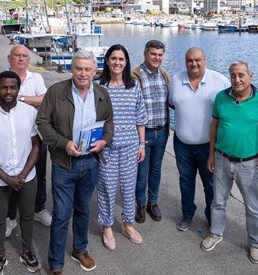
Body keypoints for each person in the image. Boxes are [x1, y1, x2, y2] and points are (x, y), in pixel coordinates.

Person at [36, 50, 114, 275]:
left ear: (95, 71)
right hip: (64, 163)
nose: (83, 73)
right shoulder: (56, 92)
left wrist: (104, 142)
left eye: (87, 69)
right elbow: (42, 122)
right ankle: (56, 266)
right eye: (78, 68)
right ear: (72, 68)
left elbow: (109, 122)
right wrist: (62, 143)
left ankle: (80, 249)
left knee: (83, 209)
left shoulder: (101, 93)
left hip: (90, 161)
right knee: (61, 214)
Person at [201, 61, 258, 262]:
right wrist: (211, 154)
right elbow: (214, 126)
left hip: (248, 164)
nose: (237, 79)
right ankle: (216, 233)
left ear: (251, 76)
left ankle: (255, 243)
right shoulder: (221, 98)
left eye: (241, 75)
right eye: (233, 75)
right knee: (218, 201)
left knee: (252, 206)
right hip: (222, 159)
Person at [0, 71, 41, 275]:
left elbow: (36, 145)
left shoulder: (30, 113)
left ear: (18, 89)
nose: (8, 91)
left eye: (13, 87)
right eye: (4, 87)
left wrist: (22, 174)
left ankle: (26, 250)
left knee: (28, 215)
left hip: (26, 176)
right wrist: (6, 178)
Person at [168, 47, 230, 232]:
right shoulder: (175, 80)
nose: (193, 64)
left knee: (210, 184)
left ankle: (212, 217)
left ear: (205, 60)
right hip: (182, 144)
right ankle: (187, 214)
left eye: (197, 60)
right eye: (189, 61)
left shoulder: (220, 81)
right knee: (185, 182)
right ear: (185, 62)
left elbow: (232, 108)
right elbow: (172, 103)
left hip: (208, 146)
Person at [96, 44, 147, 250]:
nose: (117, 62)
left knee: (128, 187)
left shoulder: (133, 85)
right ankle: (107, 226)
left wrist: (142, 144)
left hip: (129, 146)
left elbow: (140, 117)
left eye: (121, 59)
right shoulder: (98, 86)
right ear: (107, 61)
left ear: (126, 62)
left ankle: (128, 224)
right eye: (113, 58)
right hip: (105, 146)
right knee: (106, 187)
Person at [0, 45, 52, 236]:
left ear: (28, 60)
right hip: (11, 136)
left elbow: (45, 100)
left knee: (40, 174)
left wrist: (18, 97)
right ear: (9, 58)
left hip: (37, 133)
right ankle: (10, 216)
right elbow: (2, 101)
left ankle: (39, 209)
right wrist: (31, 99)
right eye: (17, 56)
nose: (21, 59)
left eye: (24, 56)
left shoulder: (35, 78)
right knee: (13, 174)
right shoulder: (2, 78)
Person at [132, 40, 170, 223]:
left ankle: (152, 203)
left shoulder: (164, 74)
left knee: (156, 170)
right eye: (153, 54)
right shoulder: (135, 75)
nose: (157, 58)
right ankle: (140, 203)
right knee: (142, 171)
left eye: (160, 55)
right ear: (145, 54)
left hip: (161, 131)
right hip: (144, 133)